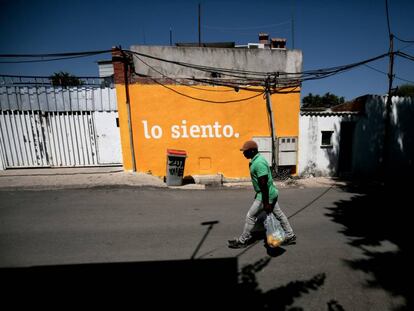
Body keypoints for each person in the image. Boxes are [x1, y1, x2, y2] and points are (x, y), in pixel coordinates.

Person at [228, 140, 297, 248]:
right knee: (278, 215)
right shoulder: (256, 160)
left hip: (266, 195)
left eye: (245, 151)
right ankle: (290, 235)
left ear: (252, 151)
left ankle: (242, 241)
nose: (243, 153)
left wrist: (266, 203)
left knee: (250, 216)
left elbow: (263, 184)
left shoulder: (259, 163)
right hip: (270, 193)